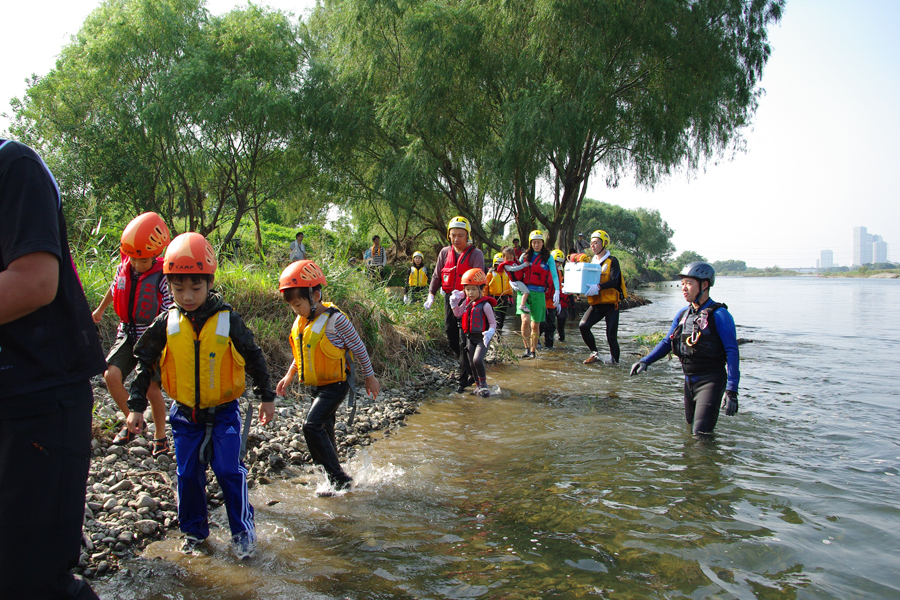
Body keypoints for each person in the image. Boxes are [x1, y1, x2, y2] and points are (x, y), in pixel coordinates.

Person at [0, 138, 107, 599]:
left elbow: (37, 281)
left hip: (38, 399)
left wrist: (268, 389)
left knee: (32, 580)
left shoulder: (14, 166)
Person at [128, 232, 276, 559]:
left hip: (224, 413)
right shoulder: (166, 322)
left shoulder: (228, 319)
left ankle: (242, 532)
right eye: (178, 288)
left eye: (195, 287)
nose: (187, 296)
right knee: (187, 475)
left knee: (227, 471)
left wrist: (267, 396)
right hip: (185, 415)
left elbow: (254, 356)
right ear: (168, 286)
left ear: (209, 282)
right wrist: (136, 406)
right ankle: (194, 534)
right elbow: (145, 361)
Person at [275, 260, 380, 492]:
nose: (297, 311)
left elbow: (358, 347)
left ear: (315, 296)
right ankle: (337, 481)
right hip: (318, 386)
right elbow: (303, 353)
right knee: (324, 429)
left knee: (310, 426)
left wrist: (370, 377)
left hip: (336, 385)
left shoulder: (336, 320)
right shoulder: (304, 320)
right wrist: (288, 375)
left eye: (299, 305)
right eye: (293, 308)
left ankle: (338, 478)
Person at [91, 212, 172, 455]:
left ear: (155, 255)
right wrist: (100, 309)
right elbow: (115, 288)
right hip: (126, 333)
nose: (137, 264)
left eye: (143, 260)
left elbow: (168, 309)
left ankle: (160, 436)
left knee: (151, 389)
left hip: (151, 338)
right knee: (111, 376)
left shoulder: (161, 275)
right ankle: (132, 421)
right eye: (133, 259)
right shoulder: (124, 267)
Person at [630, 262, 740, 435]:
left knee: (700, 435)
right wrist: (645, 360)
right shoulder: (683, 314)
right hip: (689, 382)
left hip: (711, 381)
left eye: (689, 283)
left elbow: (732, 352)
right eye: (682, 284)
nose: (684, 288)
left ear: (704, 285)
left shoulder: (720, 315)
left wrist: (732, 390)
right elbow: (667, 342)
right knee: (690, 433)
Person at [425, 217, 486, 385]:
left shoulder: (476, 254)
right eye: (453, 235)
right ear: (449, 236)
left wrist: (465, 295)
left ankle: (464, 378)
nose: (457, 239)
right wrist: (431, 294)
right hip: (450, 299)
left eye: (461, 235)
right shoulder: (445, 252)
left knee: (464, 339)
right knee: (451, 335)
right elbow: (437, 276)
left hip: (469, 301)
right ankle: (468, 365)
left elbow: (479, 278)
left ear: (467, 236)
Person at [579, 230, 626, 364]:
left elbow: (614, 281)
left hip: (611, 305)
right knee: (583, 326)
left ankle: (615, 363)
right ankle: (595, 353)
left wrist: (598, 287)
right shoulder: (590, 262)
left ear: (604, 244)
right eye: (591, 243)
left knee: (611, 336)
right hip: (596, 304)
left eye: (596, 243)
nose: (592, 246)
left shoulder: (612, 261)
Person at [450, 269, 497, 396]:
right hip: (470, 338)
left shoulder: (485, 305)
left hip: (482, 338)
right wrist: (454, 303)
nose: (470, 292)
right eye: (467, 289)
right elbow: (458, 314)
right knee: (471, 363)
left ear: (481, 289)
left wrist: (490, 332)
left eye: (474, 289)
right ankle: (478, 386)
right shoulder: (467, 302)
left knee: (477, 360)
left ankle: (484, 385)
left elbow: (493, 322)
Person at [517, 230, 560, 358]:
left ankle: (533, 351)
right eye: (534, 242)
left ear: (543, 243)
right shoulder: (524, 256)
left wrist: (557, 290)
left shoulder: (548, 258)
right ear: (531, 243)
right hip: (524, 292)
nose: (536, 245)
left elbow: (554, 275)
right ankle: (526, 349)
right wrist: (513, 282)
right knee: (525, 320)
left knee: (535, 324)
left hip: (539, 293)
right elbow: (515, 271)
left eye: (539, 242)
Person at [496, 245, 531, 313]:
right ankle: (522, 305)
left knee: (526, 291)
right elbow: (514, 269)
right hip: (516, 281)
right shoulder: (506, 265)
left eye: (511, 258)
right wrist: (524, 265)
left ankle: (525, 303)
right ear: (504, 257)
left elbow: (518, 263)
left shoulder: (514, 261)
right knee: (526, 292)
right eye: (508, 258)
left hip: (520, 280)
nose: (510, 259)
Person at [485, 252, 513, 330]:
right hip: (493, 298)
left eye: (502, 264)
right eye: (498, 264)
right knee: (497, 319)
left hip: (504, 298)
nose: (500, 266)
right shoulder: (491, 273)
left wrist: (510, 298)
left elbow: (509, 286)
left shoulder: (507, 273)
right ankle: (495, 336)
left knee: (502, 320)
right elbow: (485, 286)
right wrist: (485, 298)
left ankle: (499, 338)